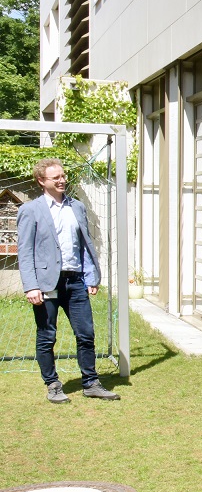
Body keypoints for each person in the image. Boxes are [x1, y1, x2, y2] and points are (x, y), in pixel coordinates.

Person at [17, 158, 120, 403]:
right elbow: (25, 251)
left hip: (75, 282)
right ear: (42, 181)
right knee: (47, 336)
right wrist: (31, 285)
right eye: (56, 177)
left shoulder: (77, 207)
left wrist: (91, 276)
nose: (62, 180)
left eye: (63, 176)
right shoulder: (31, 210)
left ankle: (91, 383)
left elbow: (85, 245)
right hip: (45, 283)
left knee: (86, 333)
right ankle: (53, 384)